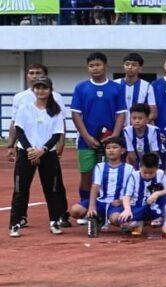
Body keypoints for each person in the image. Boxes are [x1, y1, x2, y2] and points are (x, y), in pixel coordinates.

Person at [70, 52, 128, 224]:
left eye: (98, 65)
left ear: (106, 66)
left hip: (110, 141)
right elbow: (76, 115)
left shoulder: (116, 88)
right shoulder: (81, 88)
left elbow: (120, 115)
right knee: (87, 174)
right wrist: (87, 137)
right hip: (86, 142)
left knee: (111, 173)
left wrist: (114, 139)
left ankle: (112, 208)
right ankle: (88, 207)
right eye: (91, 66)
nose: (95, 68)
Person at [8, 77, 69, 237]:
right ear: (34, 90)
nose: (40, 91)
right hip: (26, 153)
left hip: (47, 154)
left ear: (50, 90)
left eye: (44, 88)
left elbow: (57, 134)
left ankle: (54, 221)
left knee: (52, 189)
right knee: (20, 189)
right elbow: (19, 130)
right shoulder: (24, 108)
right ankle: (15, 223)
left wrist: (42, 149)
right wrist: (29, 150)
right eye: (38, 88)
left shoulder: (55, 111)